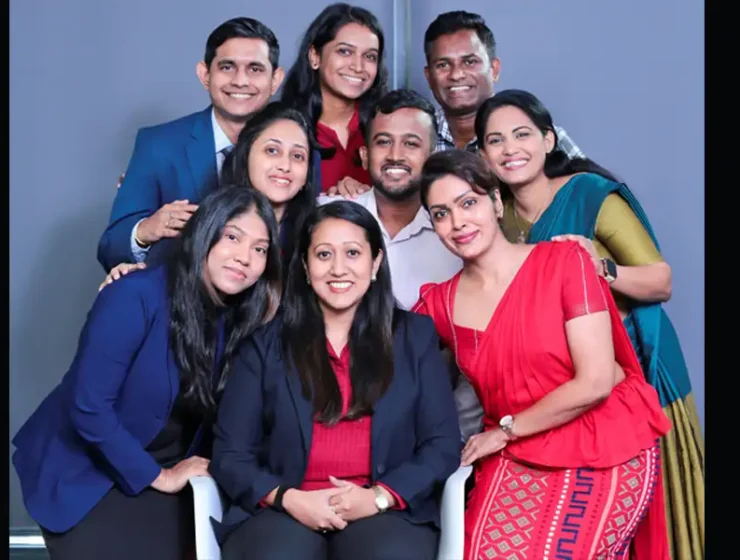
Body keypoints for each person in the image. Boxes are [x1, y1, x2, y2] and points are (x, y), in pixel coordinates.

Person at [475, 88, 704, 560]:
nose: (510, 149)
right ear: (483, 154)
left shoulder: (589, 194)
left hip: (638, 366)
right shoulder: (498, 217)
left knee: (657, 520)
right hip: (566, 386)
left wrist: (597, 267)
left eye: (522, 135)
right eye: (495, 140)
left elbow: (661, 281)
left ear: (548, 140)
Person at [412, 149, 672, 560]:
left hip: (604, 440)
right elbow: (380, 354)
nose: (458, 222)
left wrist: (505, 431)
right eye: (441, 213)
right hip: (516, 458)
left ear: (496, 203)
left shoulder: (565, 261)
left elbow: (596, 382)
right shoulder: (438, 304)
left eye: (468, 203)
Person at [12, 186, 282, 560]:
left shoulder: (241, 319)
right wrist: (161, 477)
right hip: (88, 473)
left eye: (260, 249)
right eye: (232, 237)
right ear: (204, 232)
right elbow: (88, 406)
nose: (245, 257)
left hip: (170, 470)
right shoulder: (135, 294)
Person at [209, 201, 461, 560]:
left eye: (353, 253)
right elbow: (230, 454)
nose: (338, 268)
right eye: (324, 254)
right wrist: (288, 498)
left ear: (375, 262)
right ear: (306, 266)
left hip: (383, 509)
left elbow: (442, 444)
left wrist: (379, 497)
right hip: (283, 508)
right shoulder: (263, 346)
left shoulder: (414, 337)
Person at [97, 17, 284, 272]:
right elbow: (111, 248)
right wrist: (145, 230)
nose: (240, 81)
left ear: (275, 79)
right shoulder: (158, 145)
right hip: (176, 292)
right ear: (205, 75)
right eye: (227, 67)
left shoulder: (298, 152)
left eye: (255, 69)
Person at [101, 101, 318, 287]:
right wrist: (128, 285)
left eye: (298, 156)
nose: (285, 165)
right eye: (272, 150)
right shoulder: (199, 230)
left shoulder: (316, 238)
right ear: (246, 156)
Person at [319, 88, 462, 309]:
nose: (395, 156)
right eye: (383, 142)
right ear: (365, 156)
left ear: (434, 157)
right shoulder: (327, 218)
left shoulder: (458, 231)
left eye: (411, 143)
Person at [423, 11, 583, 156]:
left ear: (494, 69)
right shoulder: (416, 136)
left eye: (470, 62)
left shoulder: (540, 137)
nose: (456, 75)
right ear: (429, 76)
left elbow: (590, 179)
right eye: (443, 65)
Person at [281, 3, 388, 194]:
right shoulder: (283, 128)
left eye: (370, 56)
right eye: (345, 51)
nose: (358, 66)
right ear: (315, 56)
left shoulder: (386, 125)